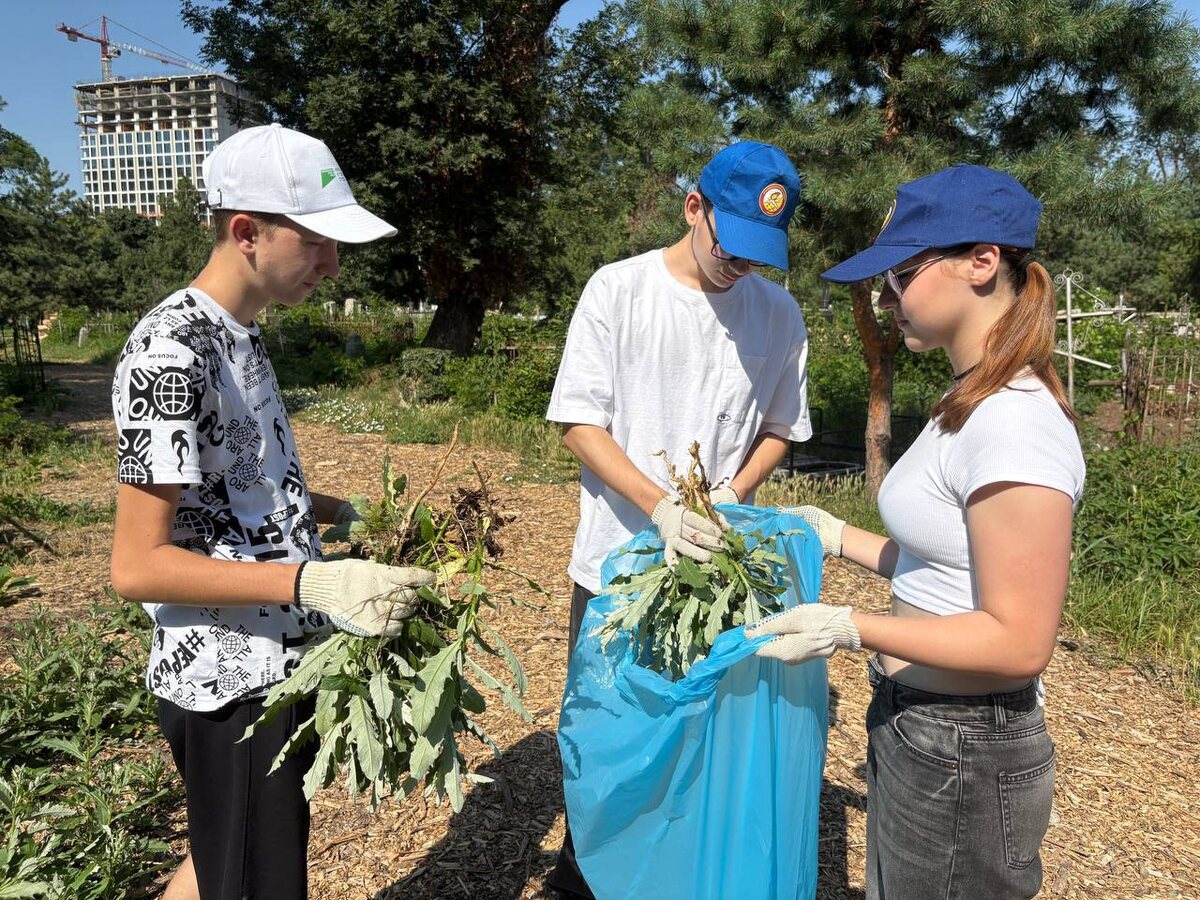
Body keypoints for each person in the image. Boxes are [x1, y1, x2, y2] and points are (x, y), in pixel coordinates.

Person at [110, 123, 435, 900]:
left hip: (272, 661)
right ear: (246, 232)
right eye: (319, 242)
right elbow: (136, 566)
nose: (332, 264)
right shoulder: (171, 353)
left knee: (226, 861)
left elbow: (234, 483)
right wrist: (310, 585)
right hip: (228, 680)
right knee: (255, 882)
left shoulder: (241, 335)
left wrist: (338, 511)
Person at [747, 164, 1085, 899]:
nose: (884, 297)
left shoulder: (1016, 424)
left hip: (968, 746)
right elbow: (944, 565)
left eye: (901, 273)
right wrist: (833, 533)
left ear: (981, 262)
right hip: (920, 725)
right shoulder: (967, 398)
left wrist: (848, 625)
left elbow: (1019, 639)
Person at [545, 140, 812, 898]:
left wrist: (731, 491)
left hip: (718, 580)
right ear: (693, 207)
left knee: (697, 760)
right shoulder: (619, 291)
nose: (741, 267)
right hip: (617, 575)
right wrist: (658, 506)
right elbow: (578, 422)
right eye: (731, 246)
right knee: (607, 755)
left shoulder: (777, 313)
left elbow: (783, 427)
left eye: (760, 256)